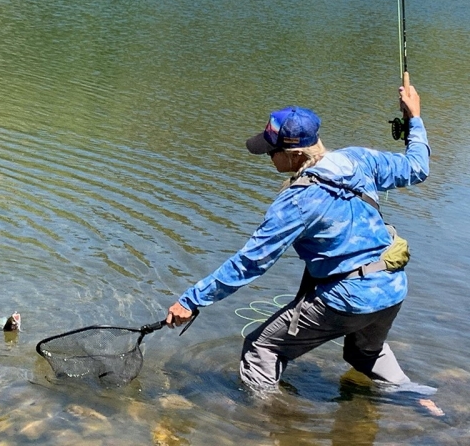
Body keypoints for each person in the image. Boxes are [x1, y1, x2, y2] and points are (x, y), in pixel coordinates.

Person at [165, 84, 429, 393]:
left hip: (350, 297)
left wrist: (191, 300)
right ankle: (420, 400)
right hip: (392, 287)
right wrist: (414, 119)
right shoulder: (358, 159)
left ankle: (272, 425)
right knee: (363, 353)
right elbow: (417, 167)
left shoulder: (296, 203)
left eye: (272, 151)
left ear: (295, 155)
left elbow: (250, 263)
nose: (268, 157)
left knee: (260, 349)